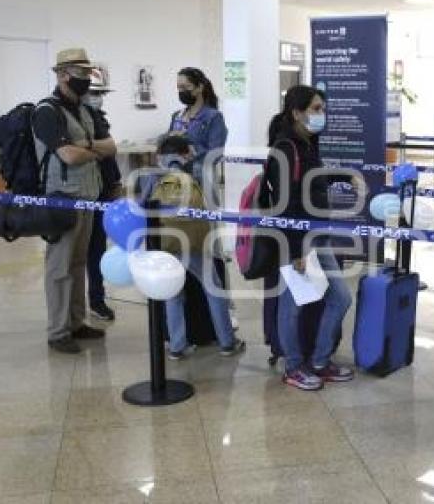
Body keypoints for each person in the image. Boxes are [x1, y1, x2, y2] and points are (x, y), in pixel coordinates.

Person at [265, 85, 358, 391]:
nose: (322, 114)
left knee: (340, 298)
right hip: (297, 240)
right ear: (296, 112)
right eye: (316, 108)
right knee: (291, 305)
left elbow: (312, 179)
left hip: (316, 236)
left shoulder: (307, 144)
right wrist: (296, 250)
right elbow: (284, 204)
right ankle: (293, 366)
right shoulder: (285, 148)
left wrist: (344, 175)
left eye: (322, 108)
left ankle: (320, 360)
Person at [32, 48, 117, 354]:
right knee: (59, 267)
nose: (86, 79)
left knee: (79, 262)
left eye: (88, 73)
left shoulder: (83, 110)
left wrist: (88, 146)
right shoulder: (46, 111)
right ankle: (57, 331)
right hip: (62, 200)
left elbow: (111, 146)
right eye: (80, 73)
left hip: (88, 198)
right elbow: (68, 154)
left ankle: (77, 322)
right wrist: (92, 150)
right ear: (63, 74)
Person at [151, 135, 245, 360]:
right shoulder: (197, 174)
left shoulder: (154, 177)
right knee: (214, 289)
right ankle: (226, 342)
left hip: (165, 243)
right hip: (193, 244)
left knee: (172, 294)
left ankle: (176, 346)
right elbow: (210, 209)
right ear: (185, 153)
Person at [83, 64, 122, 322]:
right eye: (95, 93)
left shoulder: (99, 117)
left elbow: (110, 154)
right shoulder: (79, 119)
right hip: (87, 192)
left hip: (105, 190)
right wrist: (102, 148)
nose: (99, 98)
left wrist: (116, 182)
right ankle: (95, 300)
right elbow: (96, 152)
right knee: (91, 250)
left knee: (98, 247)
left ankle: (98, 297)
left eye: (101, 94)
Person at [169, 67, 227, 187]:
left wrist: (190, 147)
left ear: (199, 87)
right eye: (179, 88)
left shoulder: (213, 117)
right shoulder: (177, 116)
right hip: (176, 178)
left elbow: (216, 153)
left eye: (185, 87)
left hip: (201, 179)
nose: (181, 91)